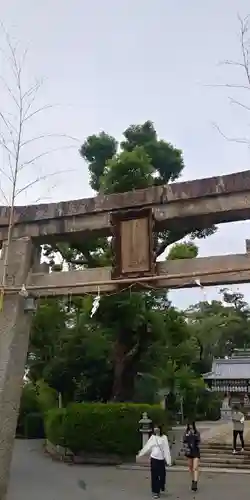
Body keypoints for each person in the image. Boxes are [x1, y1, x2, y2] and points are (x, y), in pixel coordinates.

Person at [137, 424, 171, 498]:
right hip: (154, 458)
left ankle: (161, 485)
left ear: (160, 429)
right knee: (154, 475)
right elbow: (147, 446)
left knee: (162, 475)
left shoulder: (164, 437)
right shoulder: (152, 437)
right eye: (155, 428)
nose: (156, 429)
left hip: (161, 459)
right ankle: (156, 491)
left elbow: (166, 449)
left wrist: (168, 460)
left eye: (157, 427)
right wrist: (141, 454)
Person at [183, 422, 200, 492]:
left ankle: (195, 483)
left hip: (195, 451)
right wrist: (186, 447)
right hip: (189, 451)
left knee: (195, 467)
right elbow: (184, 441)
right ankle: (193, 480)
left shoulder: (196, 432)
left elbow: (199, 441)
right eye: (189, 425)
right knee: (190, 467)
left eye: (191, 425)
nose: (190, 426)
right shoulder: (186, 433)